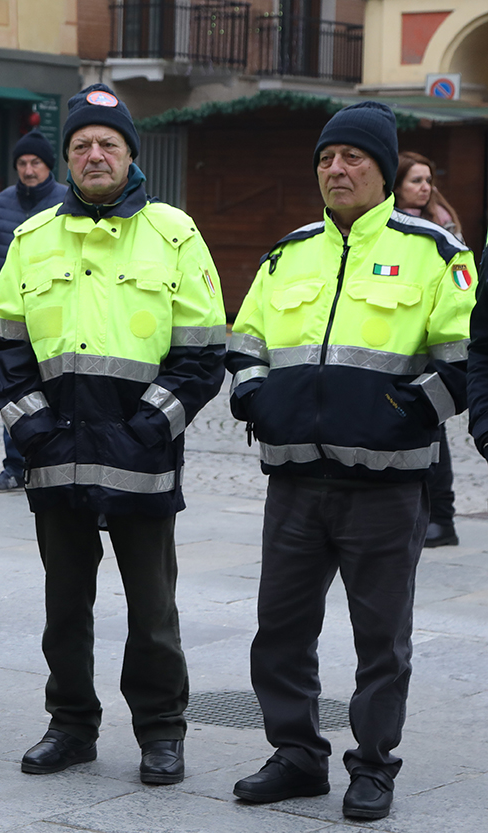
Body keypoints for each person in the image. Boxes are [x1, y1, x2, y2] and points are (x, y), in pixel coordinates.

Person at [226, 102, 474, 821]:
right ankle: (297, 755)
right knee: (280, 629)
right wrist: (255, 401)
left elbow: (461, 363)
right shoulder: (288, 251)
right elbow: (246, 345)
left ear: (386, 169)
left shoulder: (436, 254)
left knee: (381, 641)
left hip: (387, 488)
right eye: (327, 159)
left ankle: (373, 765)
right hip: (296, 482)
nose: (337, 169)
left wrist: (401, 413)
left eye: (354, 157)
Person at [0, 83, 226, 784]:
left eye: (107, 144)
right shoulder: (31, 239)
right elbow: (3, 346)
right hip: (57, 456)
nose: (94, 154)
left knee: (152, 611)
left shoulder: (174, 234)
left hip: (141, 456)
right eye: (82, 144)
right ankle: (71, 724)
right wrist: (37, 433)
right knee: (66, 607)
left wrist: (151, 424)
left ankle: (160, 730)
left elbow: (204, 350)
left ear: (129, 155)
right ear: (67, 158)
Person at [0, 130, 68, 494]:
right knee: (12, 385)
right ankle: (14, 467)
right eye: (23, 164)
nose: (29, 170)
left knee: (52, 386)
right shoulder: (2, 202)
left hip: (51, 311)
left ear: (49, 166)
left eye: (36, 163)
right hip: (10, 313)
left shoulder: (66, 201)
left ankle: (48, 463)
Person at [395, 151, 463, 546]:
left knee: (434, 431)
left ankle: (443, 518)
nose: (425, 188)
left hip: (432, 349)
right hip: (400, 347)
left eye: (428, 180)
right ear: (397, 184)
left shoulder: (441, 229)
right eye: (416, 180)